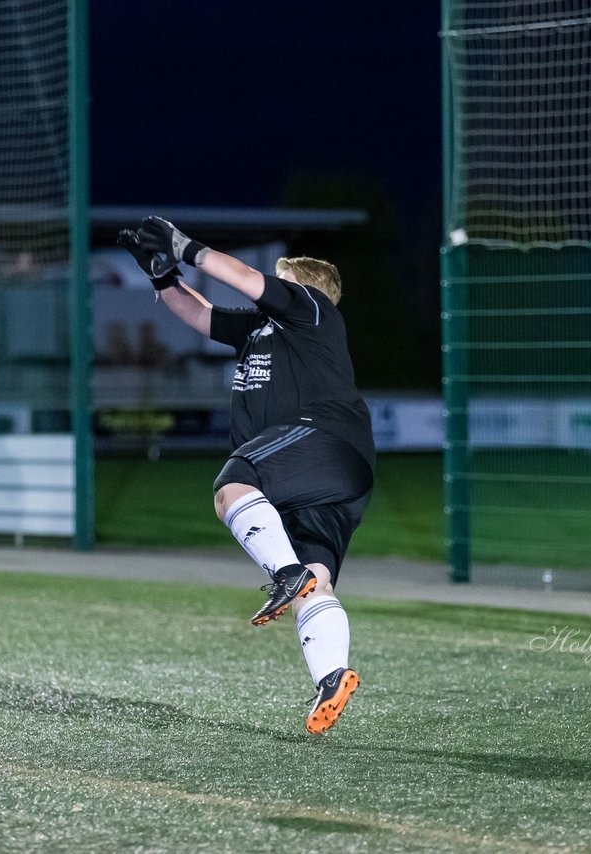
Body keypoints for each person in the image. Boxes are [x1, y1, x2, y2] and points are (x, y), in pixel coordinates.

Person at [117, 217, 374, 735]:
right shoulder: (260, 329)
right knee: (315, 579)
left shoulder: (313, 311)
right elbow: (201, 314)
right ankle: (331, 675)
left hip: (321, 442)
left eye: (281, 281)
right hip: (330, 473)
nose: (270, 288)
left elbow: (243, 277)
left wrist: (186, 247)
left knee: (234, 484)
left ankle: (284, 573)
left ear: (299, 289)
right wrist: (163, 277)